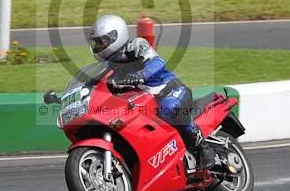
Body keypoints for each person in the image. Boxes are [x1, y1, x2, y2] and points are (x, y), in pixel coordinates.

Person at [88, 14, 217, 170]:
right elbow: (96, 83)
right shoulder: (108, 64)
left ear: (116, 35)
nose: (99, 47)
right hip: (146, 102)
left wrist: (140, 75)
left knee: (169, 107)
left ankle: (202, 146)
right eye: (96, 44)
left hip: (169, 89)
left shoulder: (137, 45)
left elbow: (157, 62)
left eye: (102, 42)